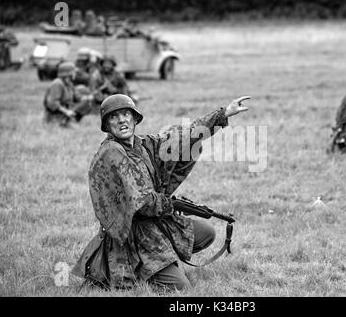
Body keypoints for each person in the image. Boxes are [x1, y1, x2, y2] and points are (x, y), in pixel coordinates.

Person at [72, 94, 250, 291]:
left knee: (206, 233)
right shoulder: (111, 152)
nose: (122, 120)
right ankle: (142, 270)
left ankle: (163, 262)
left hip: (154, 223)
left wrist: (222, 114)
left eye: (126, 114)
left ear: (134, 118)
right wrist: (170, 205)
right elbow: (143, 201)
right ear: (106, 124)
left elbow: (182, 137)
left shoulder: (144, 145)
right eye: (114, 117)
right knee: (181, 288)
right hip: (129, 237)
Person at [43, 61, 93, 127]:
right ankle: (62, 122)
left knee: (87, 104)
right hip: (54, 115)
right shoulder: (57, 83)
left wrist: (88, 98)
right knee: (74, 129)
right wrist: (66, 112)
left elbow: (77, 97)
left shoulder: (69, 84)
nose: (75, 74)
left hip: (65, 112)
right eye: (74, 72)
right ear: (68, 74)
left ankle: (71, 120)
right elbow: (53, 103)